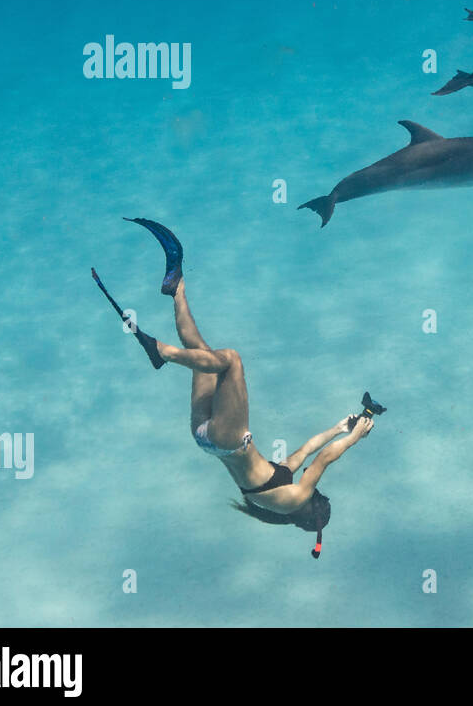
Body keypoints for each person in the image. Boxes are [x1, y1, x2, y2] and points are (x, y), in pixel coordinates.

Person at [92, 219, 374, 558]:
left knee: (231, 361)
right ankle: (176, 287)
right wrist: (341, 427)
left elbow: (324, 459)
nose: (313, 489)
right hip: (207, 436)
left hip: (229, 440)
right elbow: (308, 450)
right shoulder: (280, 493)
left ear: (310, 509)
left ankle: (161, 352)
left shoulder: (295, 500)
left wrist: (354, 439)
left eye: (317, 494)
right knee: (202, 352)